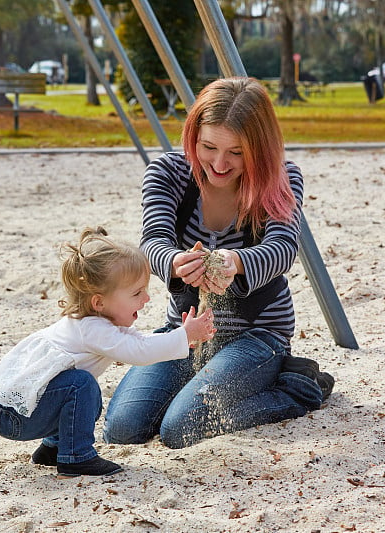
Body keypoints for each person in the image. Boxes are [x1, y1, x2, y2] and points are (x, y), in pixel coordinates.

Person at [103, 77, 334, 450]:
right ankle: (197, 391)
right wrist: (176, 262)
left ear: (259, 149)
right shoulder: (167, 173)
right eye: (208, 146)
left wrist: (237, 262)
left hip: (257, 336)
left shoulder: (282, 177)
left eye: (237, 152)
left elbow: (283, 248)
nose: (220, 163)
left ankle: (300, 388)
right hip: (185, 330)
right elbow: (152, 242)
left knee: (180, 430)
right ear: (193, 135)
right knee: (123, 430)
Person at [0, 227, 215, 477]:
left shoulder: (92, 323)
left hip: (5, 407)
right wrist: (184, 335)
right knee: (81, 385)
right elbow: (139, 352)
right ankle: (75, 457)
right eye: (136, 293)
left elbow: (139, 340)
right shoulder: (93, 330)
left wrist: (180, 339)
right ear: (99, 302)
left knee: (73, 386)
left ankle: (53, 448)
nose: (145, 299)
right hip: (14, 416)